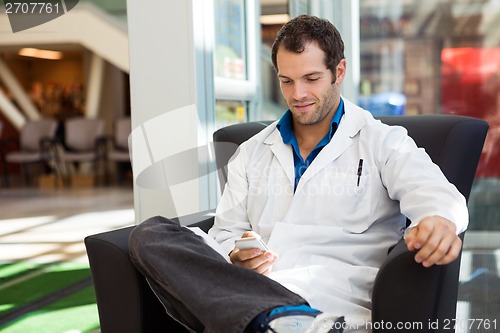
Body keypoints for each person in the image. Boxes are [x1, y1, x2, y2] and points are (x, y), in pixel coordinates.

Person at [129, 15, 467, 333]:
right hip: (256, 288)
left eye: (311, 79)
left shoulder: (382, 142)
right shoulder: (251, 152)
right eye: (286, 81)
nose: (298, 94)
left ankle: (272, 317)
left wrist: (439, 220)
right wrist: (238, 255)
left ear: (339, 71)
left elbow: (435, 193)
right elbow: (225, 233)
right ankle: (267, 316)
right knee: (150, 234)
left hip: (330, 303)